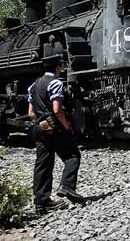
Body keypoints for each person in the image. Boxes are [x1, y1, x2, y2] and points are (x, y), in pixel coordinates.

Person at [27, 46, 82, 214]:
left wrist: (42, 123)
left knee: (43, 164)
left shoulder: (33, 85)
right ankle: (67, 186)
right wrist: (66, 125)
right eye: (60, 66)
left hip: (38, 126)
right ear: (57, 67)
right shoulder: (56, 83)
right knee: (72, 155)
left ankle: (41, 202)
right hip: (54, 126)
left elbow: (31, 113)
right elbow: (57, 109)